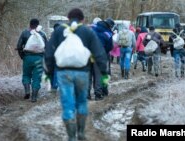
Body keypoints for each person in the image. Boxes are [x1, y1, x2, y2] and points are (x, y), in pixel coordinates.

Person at [44, 8, 108, 141]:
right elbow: (100, 53)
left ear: (68, 18)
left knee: (68, 104)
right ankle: (81, 133)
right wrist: (103, 73)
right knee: (81, 103)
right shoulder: (87, 32)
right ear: (82, 19)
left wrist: (49, 73)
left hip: (63, 73)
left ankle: (71, 137)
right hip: (82, 73)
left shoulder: (59, 31)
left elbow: (49, 54)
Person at [16, 18, 47, 102]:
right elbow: (46, 47)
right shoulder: (42, 34)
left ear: (30, 25)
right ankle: (34, 97)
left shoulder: (25, 33)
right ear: (38, 25)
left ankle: (27, 91)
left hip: (27, 57)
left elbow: (19, 46)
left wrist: (22, 56)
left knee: (26, 75)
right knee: (37, 77)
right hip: (39, 58)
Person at [90, 18, 115, 100]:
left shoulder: (92, 29)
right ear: (110, 26)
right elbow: (110, 47)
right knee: (99, 74)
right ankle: (98, 94)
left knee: (89, 74)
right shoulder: (108, 33)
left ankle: (86, 94)